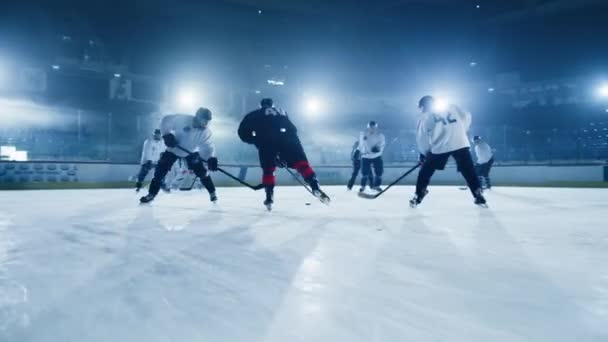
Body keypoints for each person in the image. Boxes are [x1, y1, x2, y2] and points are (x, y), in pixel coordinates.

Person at [238, 98, 329, 210]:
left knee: (269, 170)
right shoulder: (282, 111)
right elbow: (293, 129)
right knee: (301, 164)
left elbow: (242, 133)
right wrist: (285, 152)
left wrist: (256, 139)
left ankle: (269, 196)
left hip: (267, 143)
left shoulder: (253, 114)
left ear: (260, 105)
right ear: (273, 105)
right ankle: (315, 186)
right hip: (289, 141)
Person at [411, 95, 486, 207]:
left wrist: (424, 153)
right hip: (460, 142)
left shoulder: (425, 117)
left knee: (425, 172)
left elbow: (422, 138)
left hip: (441, 146)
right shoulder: (452, 107)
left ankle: (419, 194)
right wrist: (460, 131)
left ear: (422, 106)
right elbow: (467, 116)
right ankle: (477, 193)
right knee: (468, 170)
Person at [139, 107, 219, 204]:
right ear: (198, 117)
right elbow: (166, 120)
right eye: (204, 120)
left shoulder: (206, 132)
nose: (206, 123)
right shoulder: (183, 119)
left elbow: (208, 147)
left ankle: (212, 193)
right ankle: (151, 194)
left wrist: (210, 159)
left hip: (191, 152)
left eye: (208, 121)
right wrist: (166, 134)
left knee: (202, 172)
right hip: (173, 149)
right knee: (159, 172)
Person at [358, 121, 385, 192]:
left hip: (376, 156)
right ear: (368, 127)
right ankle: (363, 186)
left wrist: (378, 149)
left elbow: (382, 144)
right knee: (364, 173)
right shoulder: (363, 134)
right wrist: (360, 151)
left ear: (376, 127)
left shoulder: (380, 135)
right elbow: (361, 144)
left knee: (379, 172)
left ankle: (376, 186)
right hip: (365, 156)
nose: (372, 129)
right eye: (370, 127)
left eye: (373, 127)